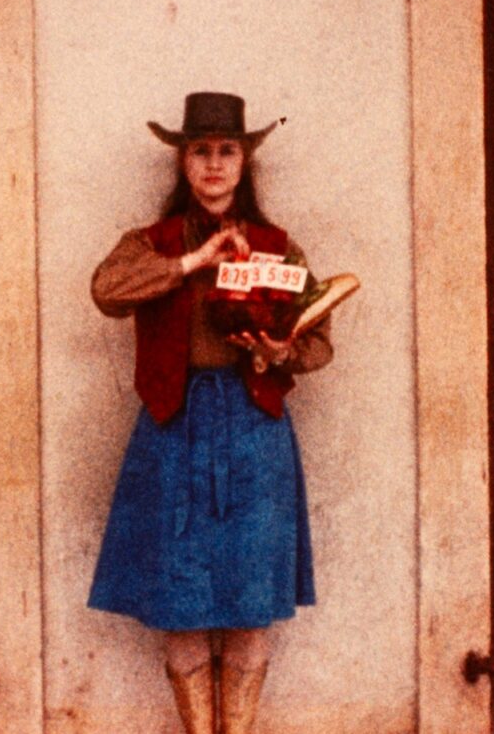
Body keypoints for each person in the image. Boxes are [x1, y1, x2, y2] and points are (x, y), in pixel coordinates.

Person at [88, 92, 333, 734]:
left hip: (255, 435)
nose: (215, 165)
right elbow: (106, 291)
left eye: (228, 151)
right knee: (182, 606)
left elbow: (318, 339)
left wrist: (279, 352)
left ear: (245, 162)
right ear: (183, 161)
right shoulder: (151, 243)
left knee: (251, 608)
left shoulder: (278, 246)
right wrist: (193, 263)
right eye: (201, 151)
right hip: (173, 431)